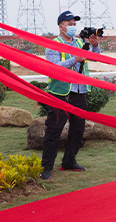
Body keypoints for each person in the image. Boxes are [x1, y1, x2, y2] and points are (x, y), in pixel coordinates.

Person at [41, 11, 101, 180]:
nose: (73, 27)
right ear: (61, 26)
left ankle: (69, 161)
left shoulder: (81, 42)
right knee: (54, 131)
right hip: (60, 93)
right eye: (69, 24)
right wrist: (75, 59)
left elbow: (96, 58)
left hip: (79, 91)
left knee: (78, 130)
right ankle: (46, 167)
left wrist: (95, 46)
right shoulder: (54, 45)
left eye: (74, 24)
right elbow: (54, 68)